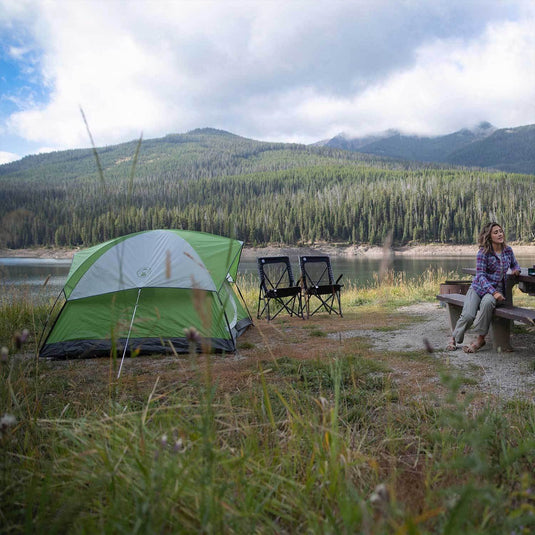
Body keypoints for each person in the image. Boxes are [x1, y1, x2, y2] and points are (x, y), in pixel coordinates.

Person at [446, 222, 520, 353]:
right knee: (468, 315)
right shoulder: (483, 253)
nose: (500, 234)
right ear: (489, 236)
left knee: (487, 303)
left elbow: (515, 264)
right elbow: (480, 276)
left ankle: (480, 340)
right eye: (495, 232)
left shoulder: (508, 250)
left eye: (500, 231)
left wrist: (516, 270)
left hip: (493, 292)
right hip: (478, 288)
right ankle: (454, 337)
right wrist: (494, 292)